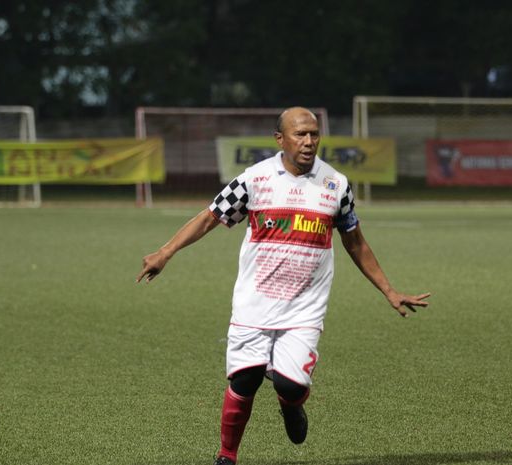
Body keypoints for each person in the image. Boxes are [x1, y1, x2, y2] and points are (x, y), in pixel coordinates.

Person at [136, 107, 431, 465]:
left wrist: (389, 289)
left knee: (291, 386)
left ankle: (291, 405)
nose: (309, 142)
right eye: (300, 135)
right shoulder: (255, 180)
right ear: (280, 139)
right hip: (254, 304)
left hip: (304, 308)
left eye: (314, 134)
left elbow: (356, 242)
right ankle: (226, 456)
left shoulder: (336, 185)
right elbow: (209, 218)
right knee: (244, 381)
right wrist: (166, 252)